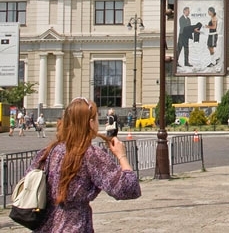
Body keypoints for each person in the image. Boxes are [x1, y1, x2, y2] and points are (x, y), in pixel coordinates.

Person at [23, 97, 141, 231]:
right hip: (74, 225)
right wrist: (121, 156)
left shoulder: (48, 151)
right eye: (97, 119)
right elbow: (128, 188)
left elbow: (28, 179)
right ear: (90, 123)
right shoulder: (90, 154)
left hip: (45, 226)